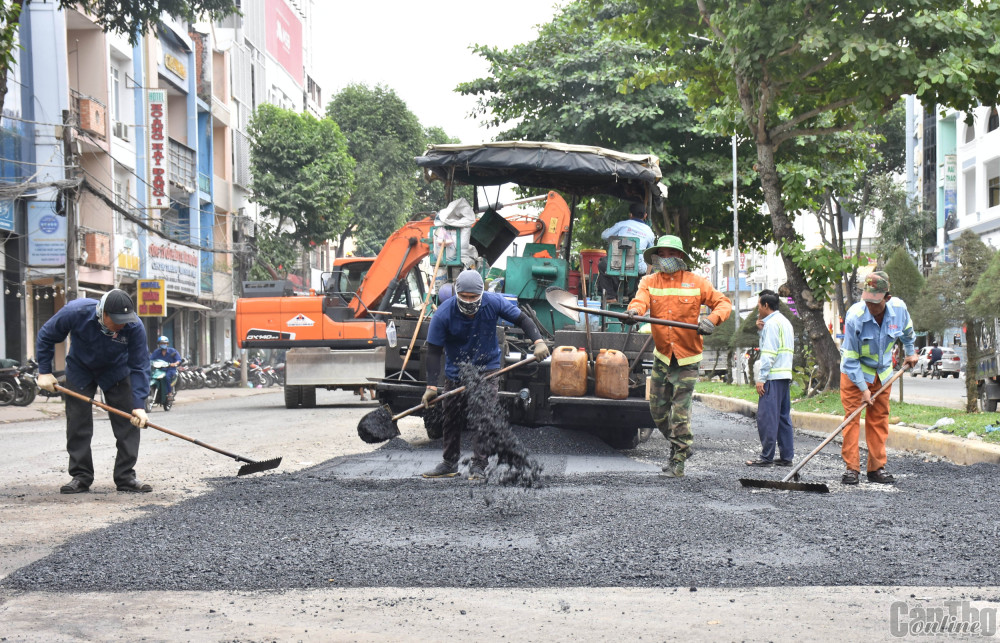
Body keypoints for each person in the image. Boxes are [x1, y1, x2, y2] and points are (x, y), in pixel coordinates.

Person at [420, 270, 549, 480]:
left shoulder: (493, 302)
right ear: (457, 293)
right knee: (451, 416)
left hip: (487, 367)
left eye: (473, 297)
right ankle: (449, 463)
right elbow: (434, 352)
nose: (469, 301)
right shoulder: (443, 314)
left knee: (483, 415)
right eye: (464, 297)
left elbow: (522, 319)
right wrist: (431, 387)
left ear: (481, 294)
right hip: (457, 370)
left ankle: (479, 465)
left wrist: (538, 341)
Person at [625, 234, 732, 478]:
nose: (666, 258)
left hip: (687, 357)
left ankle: (678, 461)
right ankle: (682, 445)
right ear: (656, 257)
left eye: (670, 254)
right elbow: (640, 302)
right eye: (661, 254)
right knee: (658, 412)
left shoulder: (697, 282)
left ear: (680, 256)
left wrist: (711, 320)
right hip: (663, 356)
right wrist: (634, 311)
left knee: (680, 413)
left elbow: (723, 303)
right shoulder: (649, 281)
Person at [35, 289, 152, 494]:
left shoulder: (134, 326)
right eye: (116, 320)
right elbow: (46, 335)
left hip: (117, 371)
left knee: (128, 423)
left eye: (125, 320)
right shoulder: (76, 311)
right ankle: (81, 476)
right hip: (81, 369)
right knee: (78, 422)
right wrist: (44, 371)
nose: (121, 325)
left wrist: (139, 405)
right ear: (103, 313)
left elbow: (140, 365)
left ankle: (125, 477)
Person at [840, 271, 918, 485]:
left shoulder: (899, 310)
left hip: (882, 374)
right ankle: (851, 469)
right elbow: (850, 358)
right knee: (851, 420)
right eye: (868, 301)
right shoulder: (855, 316)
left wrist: (910, 352)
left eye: (876, 302)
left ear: (887, 298)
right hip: (855, 374)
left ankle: (876, 469)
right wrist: (863, 388)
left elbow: (908, 332)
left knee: (878, 420)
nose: (871, 307)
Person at [746, 290, 794, 467]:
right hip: (784, 375)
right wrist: (761, 332)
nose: (757, 308)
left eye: (759, 305)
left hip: (772, 377)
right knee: (782, 417)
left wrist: (761, 378)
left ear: (766, 305)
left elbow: (769, 353)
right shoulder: (785, 322)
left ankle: (766, 457)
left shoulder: (773, 324)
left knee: (767, 417)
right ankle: (786, 456)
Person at [596, 202, 657, 301]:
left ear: (630, 214)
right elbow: (651, 251)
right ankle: (639, 298)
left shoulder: (622, 225)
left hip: (616, 265)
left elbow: (604, 235)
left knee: (603, 265)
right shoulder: (649, 231)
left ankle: (610, 296)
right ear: (645, 215)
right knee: (651, 271)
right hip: (638, 268)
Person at [150, 335, 182, 400]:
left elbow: (178, 360)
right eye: (161, 343)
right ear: (159, 344)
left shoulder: (172, 351)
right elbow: (151, 359)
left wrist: (175, 363)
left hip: (170, 370)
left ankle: (169, 393)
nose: (163, 345)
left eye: (164, 343)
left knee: (167, 377)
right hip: (159, 369)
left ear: (167, 344)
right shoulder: (156, 352)